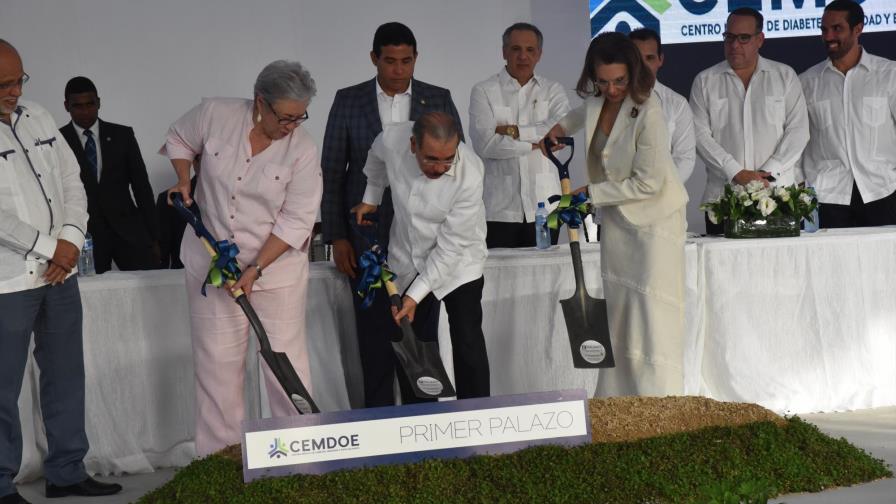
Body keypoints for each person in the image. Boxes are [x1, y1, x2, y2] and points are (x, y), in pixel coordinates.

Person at [163, 60, 322, 456]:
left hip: (275, 270)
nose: (291, 126)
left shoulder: (302, 149)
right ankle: (221, 456)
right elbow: (179, 139)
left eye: (299, 117)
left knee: (284, 360)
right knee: (217, 363)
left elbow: (297, 218)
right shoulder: (215, 114)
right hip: (212, 265)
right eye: (285, 117)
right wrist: (184, 178)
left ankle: (297, 455)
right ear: (260, 102)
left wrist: (255, 269)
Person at [0, 39, 121, 503]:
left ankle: (67, 471)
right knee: (3, 387)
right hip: (9, 282)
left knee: (67, 375)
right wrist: (55, 247)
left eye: (19, 80)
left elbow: (72, 180)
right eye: (4, 84)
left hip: (60, 275)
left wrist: (70, 240)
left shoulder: (39, 117)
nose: (14, 91)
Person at [320, 22, 464, 408]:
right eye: (390, 61)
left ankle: (422, 421)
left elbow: (455, 165)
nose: (399, 70)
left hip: (423, 237)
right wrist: (337, 237)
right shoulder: (349, 100)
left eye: (406, 61)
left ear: (416, 58)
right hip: (364, 233)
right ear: (374, 59)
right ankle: (378, 425)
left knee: (421, 328)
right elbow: (333, 172)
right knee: (373, 335)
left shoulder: (438, 97)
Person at [546, 32, 689, 397]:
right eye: (603, 81)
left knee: (652, 315)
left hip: (655, 223)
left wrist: (591, 193)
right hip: (619, 223)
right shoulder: (597, 100)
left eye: (620, 81)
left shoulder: (650, 112)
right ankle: (620, 400)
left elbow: (649, 184)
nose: (611, 90)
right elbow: (583, 114)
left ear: (634, 73)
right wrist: (559, 129)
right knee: (621, 313)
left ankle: (660, 400)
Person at [352, 112, 490, 401]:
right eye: (430, 159)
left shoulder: (471, 174)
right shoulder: (392, 139)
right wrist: (371, 197)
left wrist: (414, 296)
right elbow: (375, 160)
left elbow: (450, 248)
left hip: (460, 262)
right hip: (406, 255)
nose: (440, 168)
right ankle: (420, 418)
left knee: (467, 339)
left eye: (447, 160)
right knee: (412, 339)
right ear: (413, 144)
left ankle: (478, 415)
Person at [690, 7, 809, 235]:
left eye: (744, 38)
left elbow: (799, 131)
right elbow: (699, 136)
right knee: (723, 269)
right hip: (724, 199)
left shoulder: (784, 76)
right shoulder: (705, 81)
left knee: (783, 268)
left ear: (760, 39)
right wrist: (736, 172)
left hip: (778, 196)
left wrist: (766, 174)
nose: (735, 45)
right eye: (730, 37)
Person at [469, 22, 570, 248]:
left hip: (546, 205)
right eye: (516, 49)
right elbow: (485, 145)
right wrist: (538, 143)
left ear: (539, 54)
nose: (523, 56)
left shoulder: (553, 90)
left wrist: (513, 131)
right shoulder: (484, 90)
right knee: (501, 278)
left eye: (530, 50)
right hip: (499, 209)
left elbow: (561, 129)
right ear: (504, 52)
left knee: (545, 278)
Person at [799, 0, 896, 228]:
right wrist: (799, 186)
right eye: (824, 29)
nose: (828, 36)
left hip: (883, 190)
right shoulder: (806, 82)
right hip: (826, 196)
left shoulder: (889, 75)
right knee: (827, 264)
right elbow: (797, 140)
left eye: (837, 28)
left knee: (887, 263)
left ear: (858, 29)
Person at [59, 76, 159, 273]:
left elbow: (142, 187)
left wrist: (154, 235)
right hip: (85, 236)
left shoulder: (123, 135)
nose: (86, 111)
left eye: (90, 104)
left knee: (147, 289)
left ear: (99, 102)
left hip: (129, 231)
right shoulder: (57, 140)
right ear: (66, 106)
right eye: (77, 106)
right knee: (90, 296)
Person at [628, 28, 696, 184]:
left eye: (649, 58)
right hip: (620, 198)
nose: (643, 65)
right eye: (637, 58)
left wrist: (659, 192)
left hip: (665, 199)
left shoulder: (677, 104)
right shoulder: (613, 102)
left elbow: (685, 158)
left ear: (660, 59)